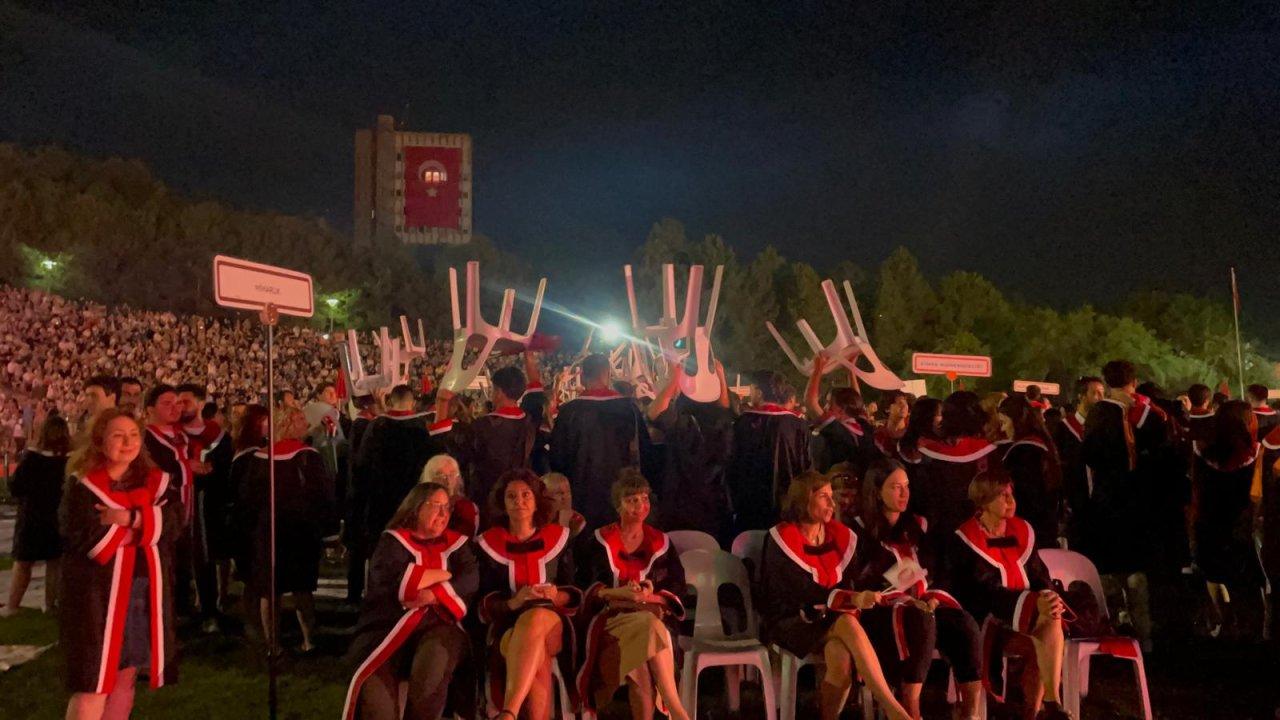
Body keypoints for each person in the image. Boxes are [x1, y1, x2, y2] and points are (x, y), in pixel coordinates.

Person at [757, 471, 916, 720]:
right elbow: (799, 590)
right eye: (824, 497)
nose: (833, 503)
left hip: (830, 620)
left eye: (832, 496)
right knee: (847, 622)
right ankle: (895, 711)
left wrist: (896, 576)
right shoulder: (781, 538)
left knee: (840, 660)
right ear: (804, 499)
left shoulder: (839, 535)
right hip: (792, 620)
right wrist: (850, 598)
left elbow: (858, 577)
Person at [60, 409, 183, 720]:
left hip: (139, 590)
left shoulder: (154, 481)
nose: (128, 442)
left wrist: (130, 519)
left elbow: (175, 522)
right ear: (99, 442)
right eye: (118, 435)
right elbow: (89, 539)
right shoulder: (83, 486)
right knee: (93, 681)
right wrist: (144, 531)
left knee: (126, 675)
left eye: (133, 435)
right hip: (95, 596)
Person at [856, 458, 983, 720]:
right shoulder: (859, 530)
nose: (904, 494)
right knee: (920, 619)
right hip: (881, 610)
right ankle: (911, 708)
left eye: (907, 486)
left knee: (964, 624)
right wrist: (903, 597)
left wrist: (933, 598)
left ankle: (970, 713)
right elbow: (863, 579)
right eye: (896, 487)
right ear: (876, 492)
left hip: (923, 603)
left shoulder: (917, 528)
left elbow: (938, 570)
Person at [342, 482, 477, 720]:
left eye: (447, 507)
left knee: (433, 665)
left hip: (440, 625)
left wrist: (433, 594)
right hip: (386, 628)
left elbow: (469, 580)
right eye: (436, 506)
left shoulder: (458, 545)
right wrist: (444, 574)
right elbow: (395, 584)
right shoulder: (392, 542)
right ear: (416, 507)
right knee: (377, 702)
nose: (443, 514)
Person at [945, 468, 1068, 720]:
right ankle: (1051, 706)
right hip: (986, 621)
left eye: (1011, 494)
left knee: (1049, 621)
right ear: (984, 501)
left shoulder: (1021, 530)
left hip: (1027, 616)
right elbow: (980, 592)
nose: (1011, 501)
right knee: (1045, 621)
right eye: (1003, 495)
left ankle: (1042, 708)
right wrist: (1031, 603)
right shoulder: (964, 540)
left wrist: (1048, 595)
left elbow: (1039, 575)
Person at [575, 470, 691, 720]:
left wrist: (650, 596)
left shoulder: (661, 542)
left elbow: (677, 586)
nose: (640, 505)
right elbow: (585, 587)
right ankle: (677, 710)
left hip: (649, 620)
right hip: (610, 624)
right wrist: (618, 592)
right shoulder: (599, 541)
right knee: (648, 627)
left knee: (642, 660)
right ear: (618, 505)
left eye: (644, 499)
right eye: (632, 500)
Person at [474, 469, 582, 720]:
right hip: (507, 628)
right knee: (537, 656)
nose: (519, 501)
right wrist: (514, 602)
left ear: (536, 501)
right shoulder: (486, 544)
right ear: (502, 503)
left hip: (553, 623)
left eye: (526, 495)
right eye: (511, 496)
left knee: (535, 618)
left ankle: (508, 712)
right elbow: (482, 604)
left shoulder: (559, 538)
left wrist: (555, 595)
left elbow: (575, 593)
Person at [233, 406, 337, 652]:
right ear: (287, 424)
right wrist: (329, 532)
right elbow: (322, 495)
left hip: (270, 531)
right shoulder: (306, 457)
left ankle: (277, 643)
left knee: (274, 590)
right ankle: (304, 640)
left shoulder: (260, 458)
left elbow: (246, 499)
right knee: (295, 589)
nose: (305, 424)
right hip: (296, 531)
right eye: (299, 419)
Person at [1081, 360, 1153, 647]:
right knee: (1135, 575)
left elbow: (1089, 457)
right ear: (1133, 382)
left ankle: (1110, 638)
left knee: (1109, 575)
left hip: (1105, 502)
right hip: (1136, 503)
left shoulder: (1097, 414)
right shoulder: (1144, 412)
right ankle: (1144, 640)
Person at [353, 384, 447, 590]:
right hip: (411, 502)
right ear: (412, 402)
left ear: (391, 401)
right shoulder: (421, 429)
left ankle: (376, 594)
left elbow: (361, 466)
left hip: (379, 502)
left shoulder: (376, 427)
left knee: (380, 551)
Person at [1191, 400, 1267, 638]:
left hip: (1209, 524)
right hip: (1240, 528)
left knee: (1215, 575)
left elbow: (1195, 489)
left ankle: (1225, 622)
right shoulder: (1256, 453)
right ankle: (1248, 631)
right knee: (1246, 585)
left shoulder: (1201, 451)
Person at [550, 353, 649, 529]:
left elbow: (557, 458)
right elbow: (645, 453)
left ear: (582, 376)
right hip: (622, 497)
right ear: (608, 374)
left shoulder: (568, 412)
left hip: (582, 496)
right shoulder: (629, 409)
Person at [436, 352, 546, 511]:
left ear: (499, 392)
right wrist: (528, 355)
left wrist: (442, 402)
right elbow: (536, 390)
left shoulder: (482, 427)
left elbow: (449, 447)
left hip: (487, 502)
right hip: (521, 500)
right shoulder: (530, 420)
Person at [645, 361, 734, 543]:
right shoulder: (719, 424)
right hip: (714, 503)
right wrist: (721, 377)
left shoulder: (682, 423)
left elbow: (655, 412)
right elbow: (724, 408)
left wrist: (674, 379)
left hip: (680, 501)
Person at [914, 391, 1001, 558]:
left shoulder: (927, 454)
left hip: (938, 536)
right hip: (977, 535)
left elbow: (922, 499)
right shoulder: (989, 453)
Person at [177, 382, 232, 632]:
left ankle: (209, 609)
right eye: (178, 402)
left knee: (206, 557)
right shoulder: (173, 435)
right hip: (177, 504)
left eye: (186, 401)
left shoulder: (218, 436)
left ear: (201, 403)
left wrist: (204, 473)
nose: (181, 406)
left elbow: (222, 471)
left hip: (207, 505)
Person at [3, 413, 70, 616]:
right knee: (54, 563)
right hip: (56, 517)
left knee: (23, 563)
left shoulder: (32, 458)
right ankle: (50, 605)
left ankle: (13, 605)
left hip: (31, 517)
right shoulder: (67, 461)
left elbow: (16, 487)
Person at [727, 369, 810, 532]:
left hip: (750, 505)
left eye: (751, 389)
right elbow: (806, 467)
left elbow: (732, 464)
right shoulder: (798, 425)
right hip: (786, 505)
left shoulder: (744, 423)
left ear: (759, 392)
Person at [1000, 395, 1063, 548]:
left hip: (1028, 532)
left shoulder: (1023, 452)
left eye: (1004, 422)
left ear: (1017, 421)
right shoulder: (1043, 444)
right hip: (1046, 527)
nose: (1002, 429)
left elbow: (1024, 498)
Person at [1051, 376, 1102, 550]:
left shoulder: (1104, 428)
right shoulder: (1063, 428)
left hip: (1100, 502)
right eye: (1095, 393)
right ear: (1081, 396)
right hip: (1075, 502)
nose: (1100, 398)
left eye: (1103, 393)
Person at [420, 454, 479, 536]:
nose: (448, 480)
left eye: (452, 475)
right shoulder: (418, 505)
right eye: (440, 475)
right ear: (430, 477)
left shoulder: (467, 508)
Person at [542, 471, 587, 539]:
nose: (566, 497)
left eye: (568, 492)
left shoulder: (578, 521)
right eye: (559, 493)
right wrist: (563, 524)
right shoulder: (540, 524)